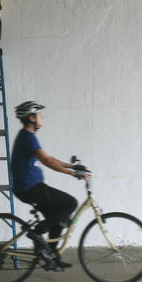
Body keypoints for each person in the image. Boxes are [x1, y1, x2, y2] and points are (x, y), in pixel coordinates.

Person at [10, 100, 88, 271]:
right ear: (31, 118)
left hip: (30, 187)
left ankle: (51, 257)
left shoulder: (27, 137)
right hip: (30, 188)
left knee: (59, 218)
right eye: (39, 115)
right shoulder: (27, 137)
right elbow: (47, 160)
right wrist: (73, 173)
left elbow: (48, 158)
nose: (42, 117)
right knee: (70, 203)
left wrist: (73, 167)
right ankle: (37, 233)